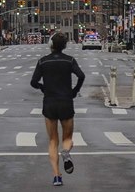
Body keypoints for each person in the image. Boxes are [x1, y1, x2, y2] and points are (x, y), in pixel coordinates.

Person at [30, 32, 85, 187]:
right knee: (67, 139)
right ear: (65, 46)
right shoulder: (69, 61)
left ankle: (57, 176)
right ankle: (66, 152)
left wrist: (43, 87)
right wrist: (74, 91)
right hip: (66, 101)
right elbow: (81, 76)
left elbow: (33, 82)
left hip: (49, 103)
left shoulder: (43, 62)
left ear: (51, 45)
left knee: (53, 140)